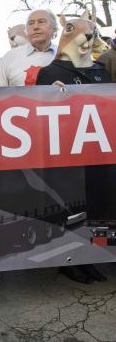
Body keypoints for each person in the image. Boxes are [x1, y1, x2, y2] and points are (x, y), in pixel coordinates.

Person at [36, 16, 110, 284]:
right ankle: (69, 262)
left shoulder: (101, 69)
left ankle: (92, 258)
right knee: (70, 210)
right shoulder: (51, 73)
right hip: (68, 157)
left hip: (100, 154)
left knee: (97, 206)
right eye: (85, 34)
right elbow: (40, 114)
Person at [0, 9, 58, 87]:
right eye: (31, 23)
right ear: (26, 30)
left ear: (54, 28)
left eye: (41, 22)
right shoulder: (9, 57)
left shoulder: (65, 56)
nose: (35, 27)